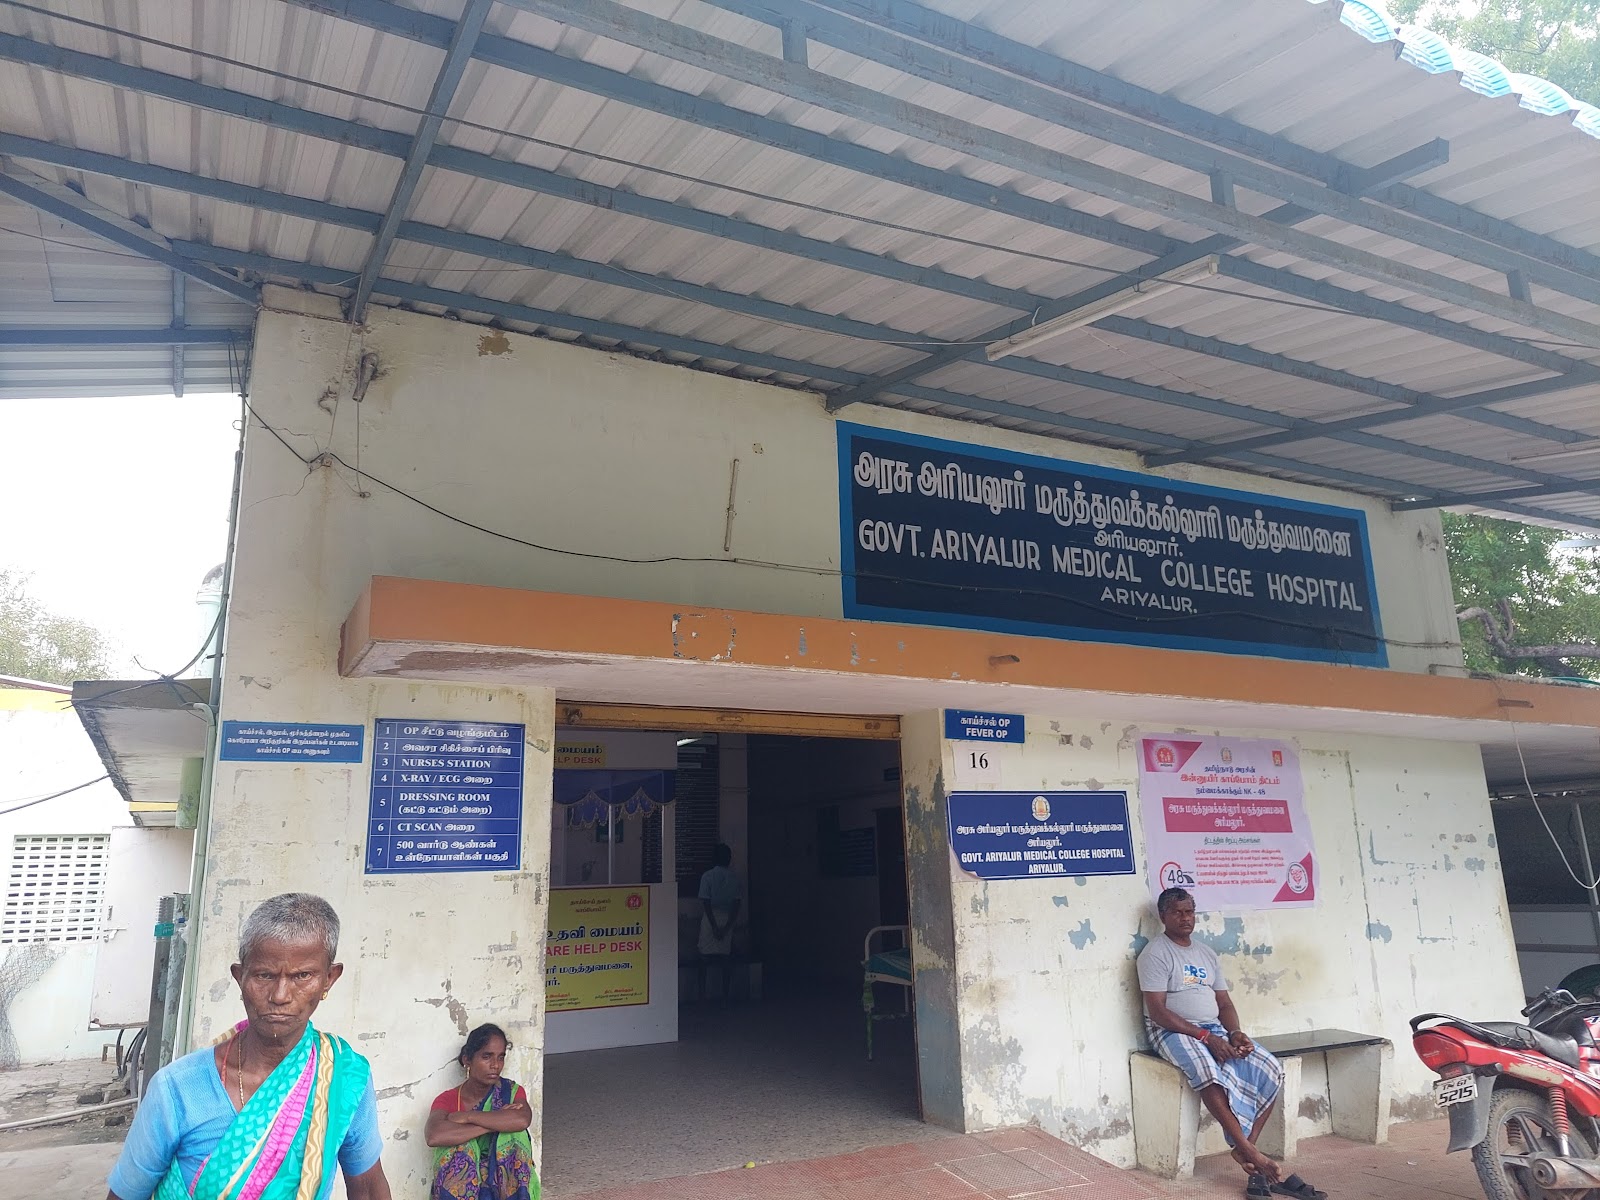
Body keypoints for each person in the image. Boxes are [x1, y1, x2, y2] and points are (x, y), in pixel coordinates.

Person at [106, 892, 391, 1200]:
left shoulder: (343, 1077)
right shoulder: (177, 1088)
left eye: (302, 976)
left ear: (329, 979)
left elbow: (367, 1187)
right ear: (240, 977)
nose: (280, 995)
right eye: (264, 975)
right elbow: (125, 1195)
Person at [1136, 887, 1325, 1200]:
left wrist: (1234, 1032)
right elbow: (1158, 1012)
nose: (1185, 918)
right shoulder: (1155, 954)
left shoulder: (1206, 954)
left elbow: (1224, 1003)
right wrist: (1205, 1038)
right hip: (1169, 1031)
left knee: (1270, 1067)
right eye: (1177, 912)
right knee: (1206, 1070)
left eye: (1189, 912)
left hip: (1212, 1028)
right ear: (1163, 916)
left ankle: (1244, 1149)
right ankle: (1250, 1151)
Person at [425, 1023, 537, 1200]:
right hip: (461, 1191)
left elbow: (522, 1120)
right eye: (487, 1056)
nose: (495, 1065)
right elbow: (434, 1136)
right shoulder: (448, 1099)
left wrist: (468, 1117)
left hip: (503, 1189)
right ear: (467, 1060)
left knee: (515, 1135)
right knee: (460, 1146)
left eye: (501, 1057)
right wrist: (498, 1122)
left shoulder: (511, 1092)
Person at [696, 843, 743, 1000]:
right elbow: (736, 905)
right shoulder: (734, 878)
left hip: (710, 919)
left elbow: (706, 903)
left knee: (703, 958)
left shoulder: (707, 876)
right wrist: (728, 926)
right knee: (725, 958)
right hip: (727, 918)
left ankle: (702, 995)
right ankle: (725, 997)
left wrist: (714, 926)